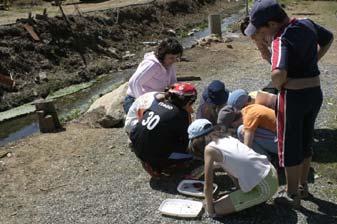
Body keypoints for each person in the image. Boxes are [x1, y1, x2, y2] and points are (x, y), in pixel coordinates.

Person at [244, 0, 333, 206]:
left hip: (293, 98)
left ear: (273, 24)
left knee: (290, 145)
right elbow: (328, 38)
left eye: (261, 29)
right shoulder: (307, 23)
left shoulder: (279, 39)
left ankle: (292, 193)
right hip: (314, 93)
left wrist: (272, 60)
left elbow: (278, 75)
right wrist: (314, 61)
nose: (262, 34)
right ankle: (304, 186)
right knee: (306, 138)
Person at [188, 119, 278, 217]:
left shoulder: (209, 149)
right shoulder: (227, 137)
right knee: (224, 164)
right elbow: (231, 163)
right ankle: (243, 193)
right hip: (270, 171)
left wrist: (210, 211)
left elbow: (208, 185)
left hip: (265, 186)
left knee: (216, 208)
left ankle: (254, 197)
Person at [130, 82, 197, 177]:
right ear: (189, 102)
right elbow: (187, 140)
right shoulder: (181, 114)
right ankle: (160, 166)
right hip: (155, 156)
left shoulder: (157, 104)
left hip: (136, 146)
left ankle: (150, 160)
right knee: (193, 155)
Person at [123, 38, 183, 113]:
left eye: (176, 57)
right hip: (134, 100)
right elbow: (134, 82)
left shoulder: (169, 65)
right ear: (163, 55)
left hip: (154, 100)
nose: (174, 60)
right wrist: (143, 105)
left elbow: (173, 84)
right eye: (171, 58)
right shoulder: (152, 64)